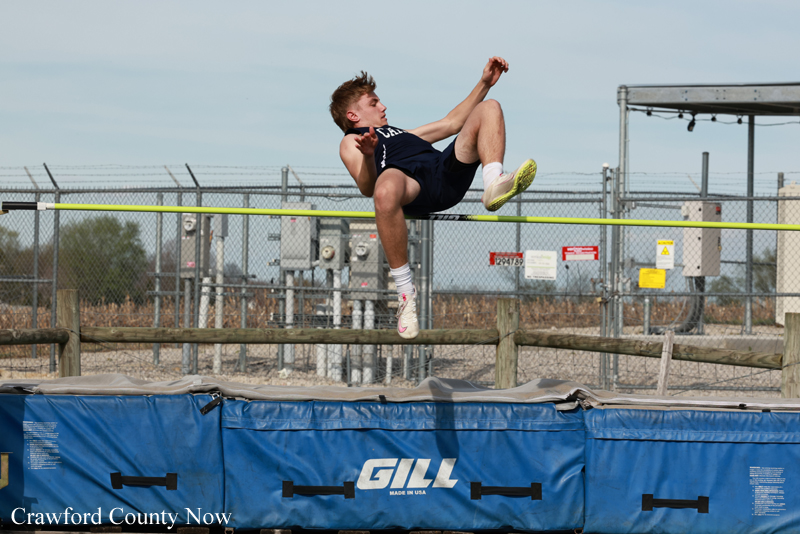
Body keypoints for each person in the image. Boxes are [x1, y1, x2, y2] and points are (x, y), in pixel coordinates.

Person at [330, 56, 536, 340]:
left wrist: (484, 83)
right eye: (374, 102)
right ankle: (406, 296)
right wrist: (368, 157)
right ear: (353, 115)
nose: (383, 106)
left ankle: (492, 183)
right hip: (406, 184)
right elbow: (367, 187)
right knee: (385, 187)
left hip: (443, 173)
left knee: (489, 108)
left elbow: (452, 123)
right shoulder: (352, 140)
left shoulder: (401, 134)